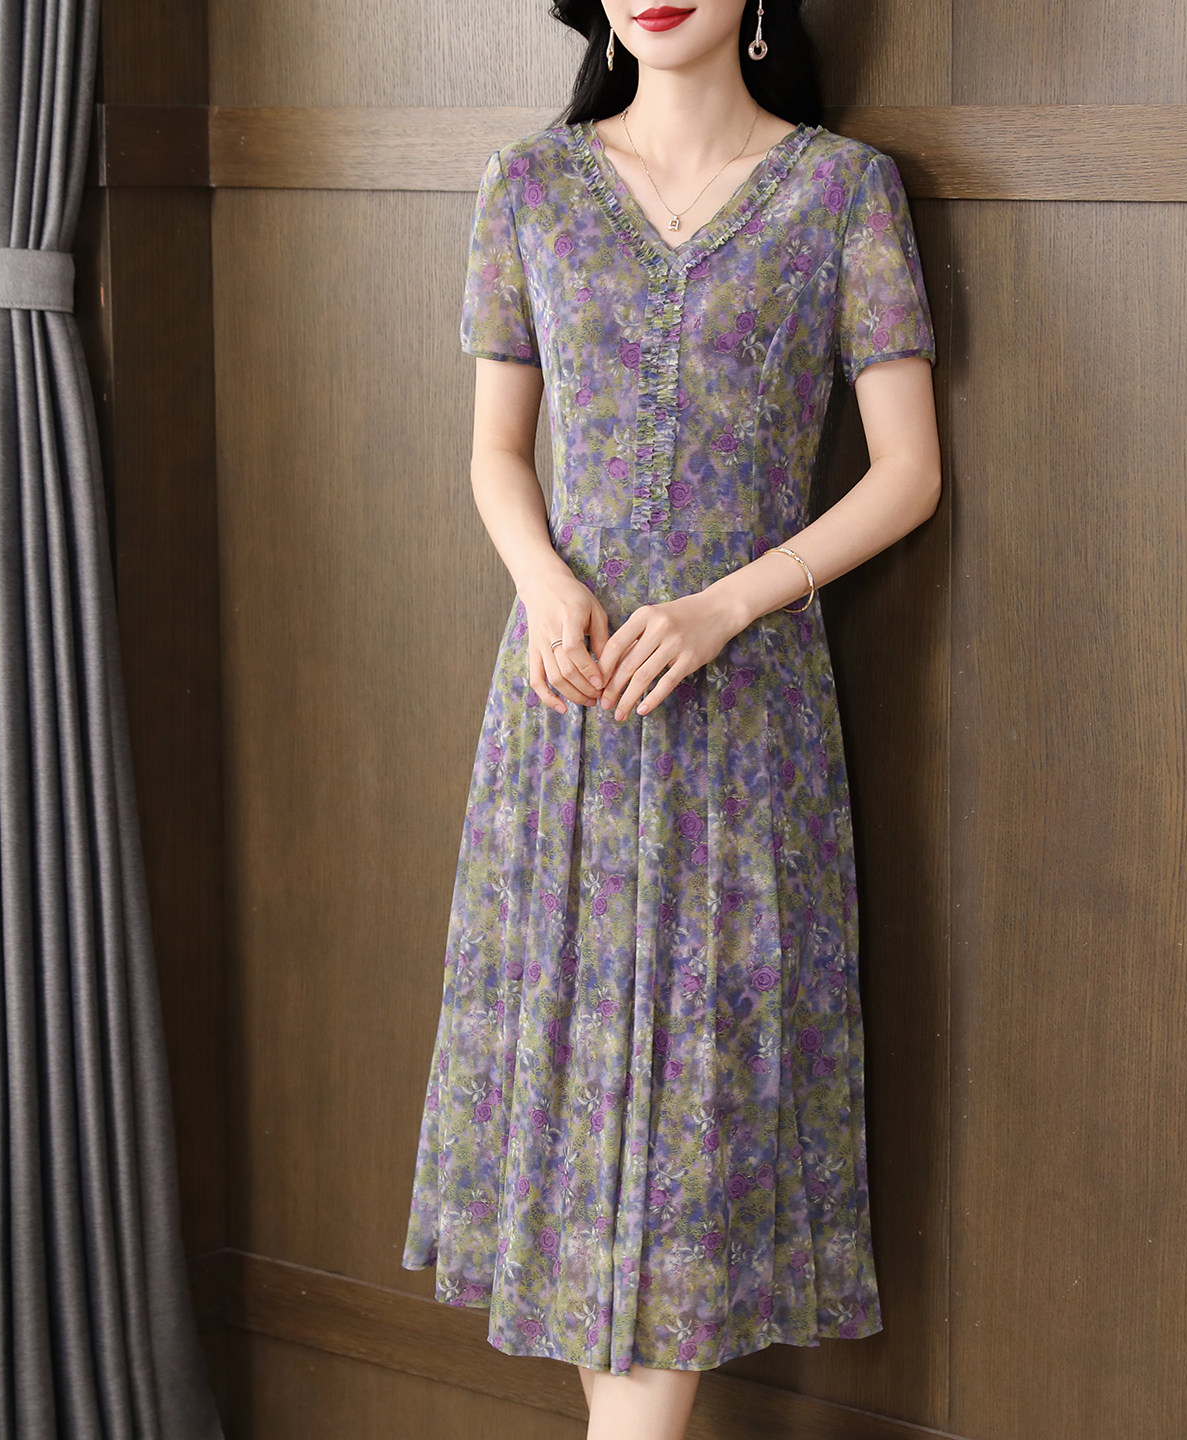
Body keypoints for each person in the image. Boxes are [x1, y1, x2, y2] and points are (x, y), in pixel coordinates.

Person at [401, 1, 943, 1435]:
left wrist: (724, 608)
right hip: (567, 717)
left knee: (698, 1124)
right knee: (580, 1120)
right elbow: (496, 450)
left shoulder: (842, 192)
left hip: (745, 727)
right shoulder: (531, 184)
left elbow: (907, 472)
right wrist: (543, 584)